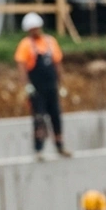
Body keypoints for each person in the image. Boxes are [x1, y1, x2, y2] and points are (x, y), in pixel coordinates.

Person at [14, 12, 71, 159]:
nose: (35, 31)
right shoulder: (25, 45)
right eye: (31, 29)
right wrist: (26, 86)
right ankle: (38, 149)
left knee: (56, 116)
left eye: (36, 28)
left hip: (51, 87)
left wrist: (61, 83)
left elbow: (57, 64)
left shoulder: (50, 42)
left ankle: (60, 146)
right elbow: (22, 67)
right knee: (39, 118)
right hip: (36, 89)